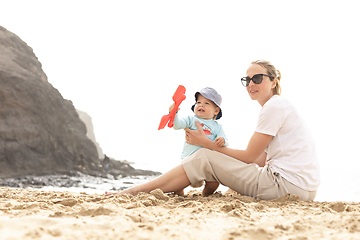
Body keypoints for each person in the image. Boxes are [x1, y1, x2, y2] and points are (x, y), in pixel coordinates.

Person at [106, 60, 320, 201]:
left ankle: (130, 192)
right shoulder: (280, 106)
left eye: (258, 78)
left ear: (273, 81)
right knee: (209, 157)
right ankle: (166, 186)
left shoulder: (273, 106)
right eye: (247, 80)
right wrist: (234, 180)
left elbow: (249, 156)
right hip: (305, 190)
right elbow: (261, 160)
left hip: (284, 186)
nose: (251, 84)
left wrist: (207, 144)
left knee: (204, 156)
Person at [170, 87, 228, 195]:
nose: (201, 105)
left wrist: (222, 140)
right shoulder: (190, 120)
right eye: (198, 102)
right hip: (189, 161)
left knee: (214, 183)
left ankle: (206, 194)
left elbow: (225, 141)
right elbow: (177, 126)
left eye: (206, 103)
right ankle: (180, 193)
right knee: (178, 184)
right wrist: (174, 114)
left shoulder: (217, 127)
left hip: (207, 164)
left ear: (216, 110)